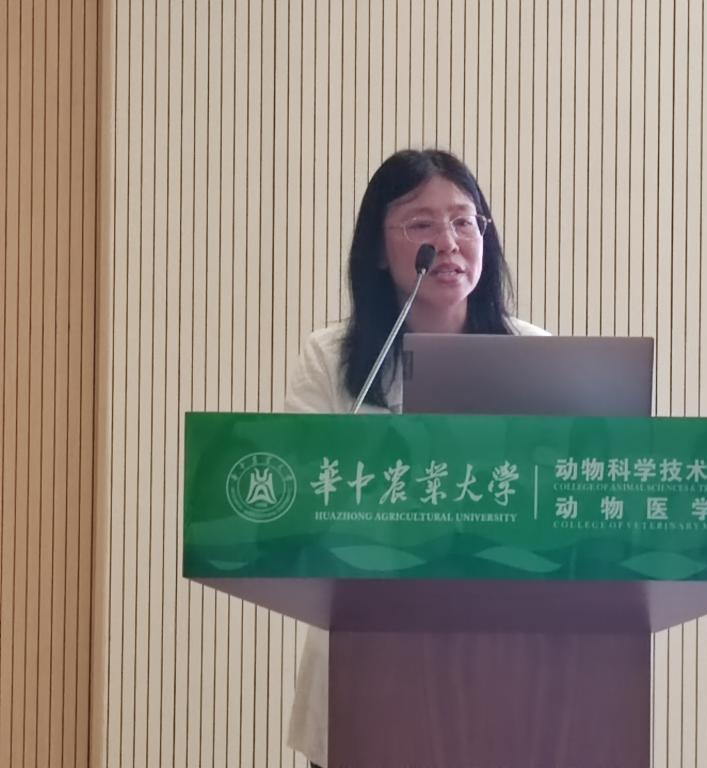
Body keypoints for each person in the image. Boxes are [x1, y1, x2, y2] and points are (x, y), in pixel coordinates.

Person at [283, 148, 548, 767]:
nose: (448, 242)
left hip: (499, 666)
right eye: (421, 224)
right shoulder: (332, 358)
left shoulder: (535, 355)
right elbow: (300, 498)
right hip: (365, 662)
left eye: (464, 221)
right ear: (379, 249)